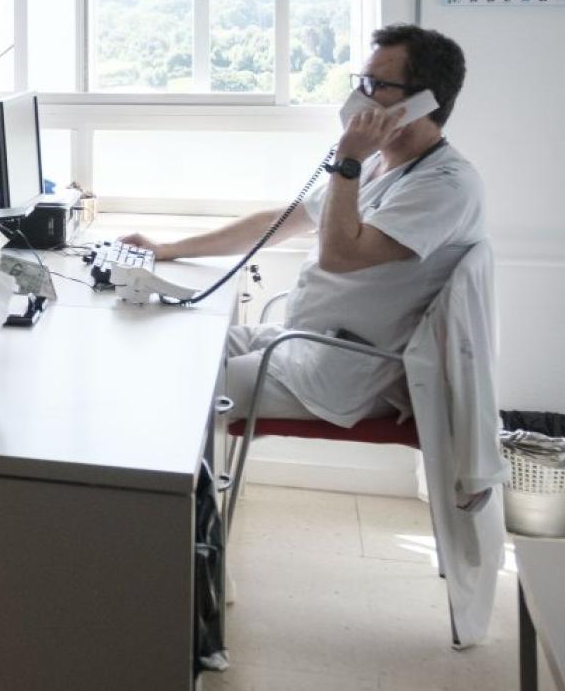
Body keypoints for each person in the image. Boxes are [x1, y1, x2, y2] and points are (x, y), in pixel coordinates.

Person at [124, 24, 486, 428]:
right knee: (171, 347)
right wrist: (169, 248)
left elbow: (339, 256)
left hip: (342, 372)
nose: (359, 97)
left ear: (421, 102)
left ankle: (182, 488)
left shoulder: (446, 186)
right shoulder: (374, 164)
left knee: (177, 390)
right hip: (301, 339)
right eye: (360, 82)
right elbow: (275, 225)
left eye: (376, 85)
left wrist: (346, 160)